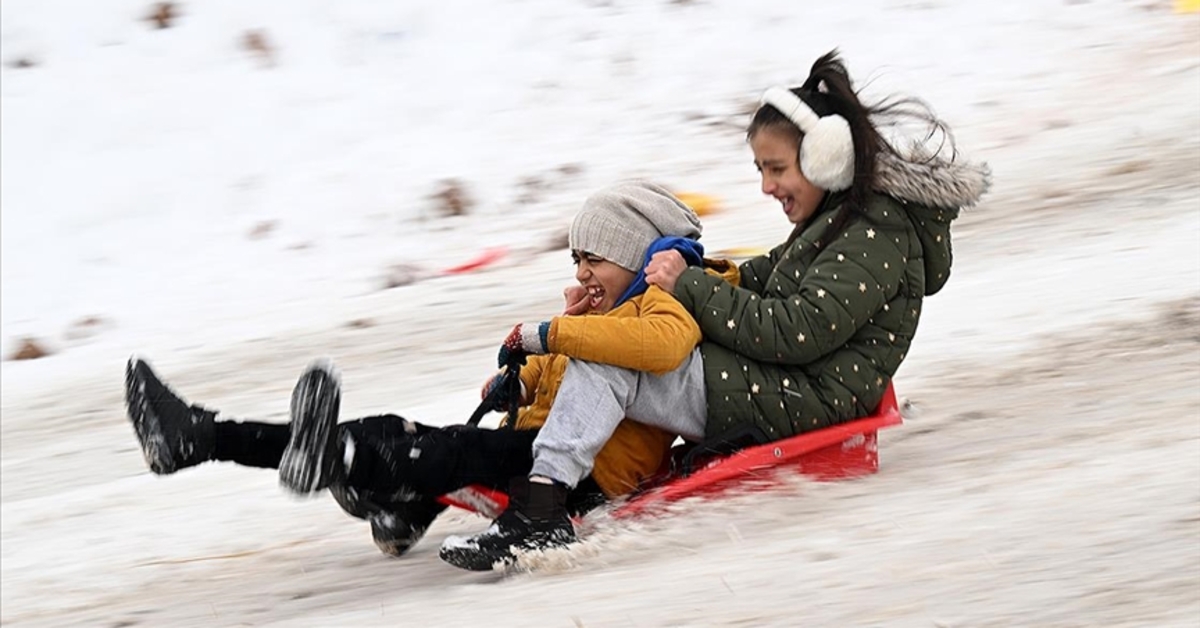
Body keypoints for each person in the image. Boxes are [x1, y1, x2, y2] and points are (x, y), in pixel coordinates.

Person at [439, 50, 990, 570]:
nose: (766, 186)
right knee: (625, 344)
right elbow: (767, 276)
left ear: (826, 158)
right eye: (759, 170)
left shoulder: (873, 234)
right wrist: (699, 274)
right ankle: (551, 478)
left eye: (775, 168)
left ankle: (542, 508)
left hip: (810, 397)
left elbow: (799, 330)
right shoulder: (843, 223)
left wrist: (695, 288)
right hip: (791, 383)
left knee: (611, 356)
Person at [124, 181, 731, 559]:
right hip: (540, 445)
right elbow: (562, 388)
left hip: (587, 473)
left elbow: (653, 353)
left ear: (634, 255)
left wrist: (558, 332)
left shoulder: (656, 308)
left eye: (592, 259)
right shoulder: (600, 318)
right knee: (403, 432)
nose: (579, 275)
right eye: (576, 261)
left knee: (433, 450)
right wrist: (522, 378)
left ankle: (339, 465)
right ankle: (204, 437)